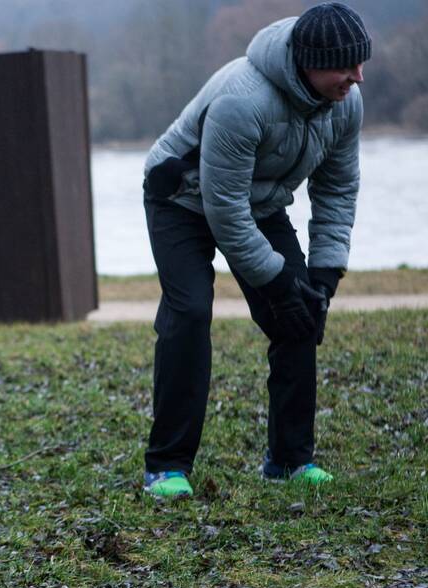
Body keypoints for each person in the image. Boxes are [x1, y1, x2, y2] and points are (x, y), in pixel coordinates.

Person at [140, 3, 370, 498]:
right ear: (309, 62)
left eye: (359, 64)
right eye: (345, 66)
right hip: (182, 198)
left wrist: (324, 274)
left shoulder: (345, 103)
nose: (357, 77)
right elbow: (223, 211)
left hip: (258, 202)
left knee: (301, 312)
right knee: (191, 311)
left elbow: (338, 189)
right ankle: (166, 466)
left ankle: (289, 461)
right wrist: (277, 279)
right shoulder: (242, 100)